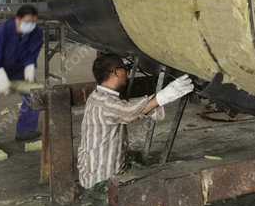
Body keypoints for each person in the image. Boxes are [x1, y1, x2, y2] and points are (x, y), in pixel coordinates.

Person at [77, 54, 194, 196]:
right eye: (125, 69)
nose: (126, 73)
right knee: (159, 190)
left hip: (97, 171)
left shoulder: (96, 95)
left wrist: (158, 99)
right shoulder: (104, 102)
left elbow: (126, 108)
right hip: (101, 181)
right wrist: (164, 96)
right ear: (116, 72)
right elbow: (130, 111)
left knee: (155, 174)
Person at [0, 4, 42, 142]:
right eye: (27, 22)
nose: (30, 25)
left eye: (33, 22)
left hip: (18, 68)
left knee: (34, 94)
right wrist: (2, 83)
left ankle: (25, 130)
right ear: (17, 20)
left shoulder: (37, 33)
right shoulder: (1, 31)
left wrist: (29, 79)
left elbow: (31, 57)